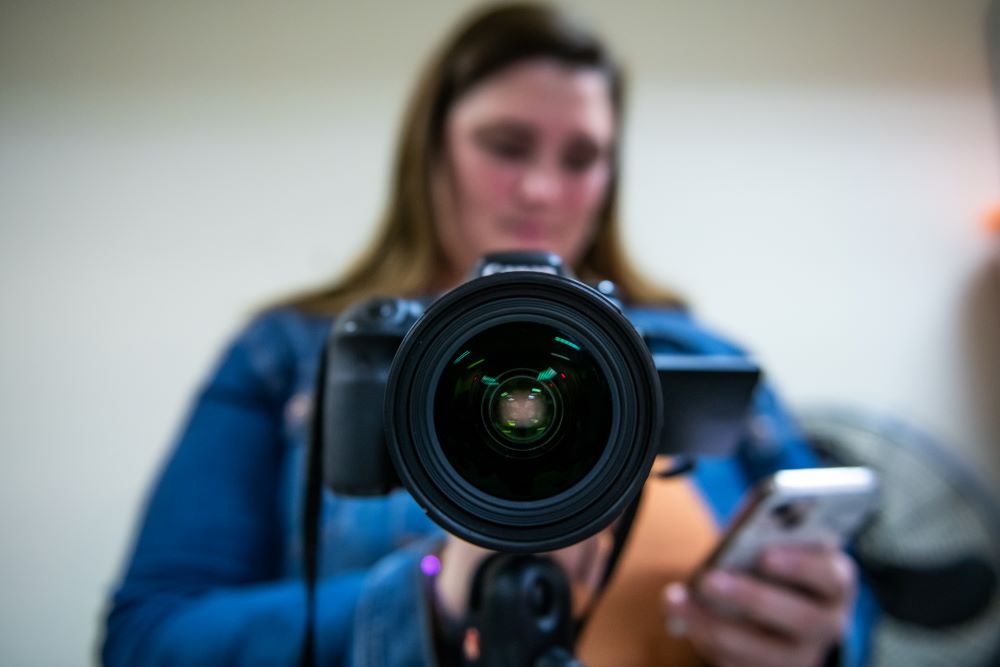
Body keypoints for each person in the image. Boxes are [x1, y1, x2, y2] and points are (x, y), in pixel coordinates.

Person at [101, 3, 877, 666]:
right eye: (506, 146)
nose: (541, 189)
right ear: (432, 148)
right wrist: (429, 593)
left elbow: (855, 605)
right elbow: (146, 637)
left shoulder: (695, 352)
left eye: (582, 157)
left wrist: (823, 633)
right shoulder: (299, 354)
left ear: (611, 178)